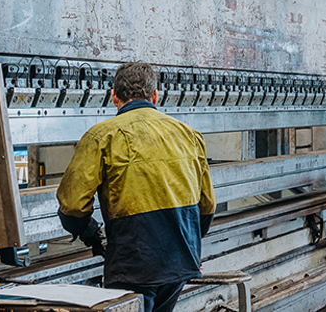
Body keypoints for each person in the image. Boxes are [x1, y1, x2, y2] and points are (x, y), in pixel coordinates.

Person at [57, 62, 217, 312]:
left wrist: (91, 234)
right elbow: (207, 205)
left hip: (133, 262)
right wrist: (187, 242)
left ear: (114, 97)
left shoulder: (101, 136)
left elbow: (72, 206)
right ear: (155, 95)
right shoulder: (189, 135)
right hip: (180, 263)